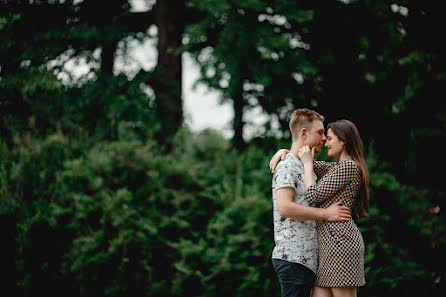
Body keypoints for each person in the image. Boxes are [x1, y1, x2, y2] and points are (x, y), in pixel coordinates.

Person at [270, 119, 369, 297]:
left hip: (341, 244)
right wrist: (284, 152)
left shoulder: (349, 167)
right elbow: (301, 159)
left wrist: (308, 165)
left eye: (330, 138)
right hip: (325, 248)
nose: (325, 142)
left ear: (343, 140)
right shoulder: (336, 167)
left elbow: (313, 194)